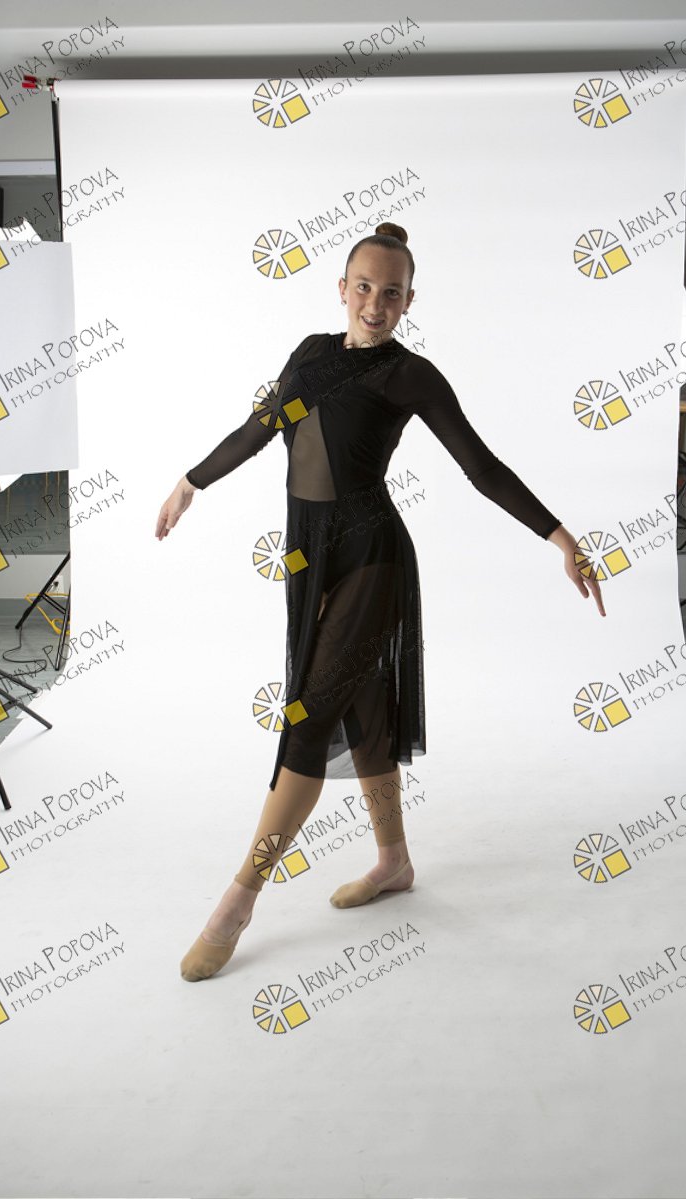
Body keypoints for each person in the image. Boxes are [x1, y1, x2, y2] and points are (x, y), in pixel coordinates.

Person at [155, 222, 605, 983]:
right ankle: (394, 861)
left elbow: (482, 466)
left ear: (408, 301)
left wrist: (559, 536)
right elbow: (262, 427)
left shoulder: (410, 375)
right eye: (363, 287)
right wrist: (191, 481)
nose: (375, 303)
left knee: (307, 719)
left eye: (391, 293)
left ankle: (238, 900)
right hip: (310, 555)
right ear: (342, 288)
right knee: (362, 709)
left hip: (370, 557)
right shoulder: (309, 352)